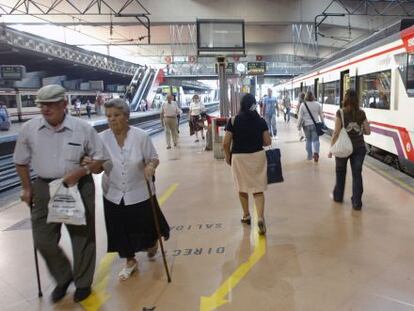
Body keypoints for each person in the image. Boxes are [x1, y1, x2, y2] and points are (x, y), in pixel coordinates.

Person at [13, 84, 108, 303]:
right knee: (42, 239)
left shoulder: (82, 128)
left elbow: (100, 159)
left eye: (51, 104)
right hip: (44, 187)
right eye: (42, 105)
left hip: (78, 186)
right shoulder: (29, 129)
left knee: (82, 237)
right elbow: (21, 161)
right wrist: (27, 188)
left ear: (64, 104)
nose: (45, 109)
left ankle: (83, 283)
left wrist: (82, 170)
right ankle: (64, 276)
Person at [87, 98, 170, 280]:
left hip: (140, 190)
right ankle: (130, 260)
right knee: (120, 228)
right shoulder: (101, 139)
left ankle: (151, 242)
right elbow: (98, 168)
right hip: (113, 192)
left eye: (116, 115)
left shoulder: (140, 136)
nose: (112, 119)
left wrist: (150, 166)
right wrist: (92, 165)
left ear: (126, 116)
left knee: (145, 226)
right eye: (108, 116)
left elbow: (154, 157)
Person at [222, 93, 272, 235]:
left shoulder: (233, 121)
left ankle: (246, 215)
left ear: (241, 105)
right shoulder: (261, 121)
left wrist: (227, 157)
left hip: (239, 158)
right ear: (254, 105)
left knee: (242, 188)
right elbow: (268, 142)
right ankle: (260, 218)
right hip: (257, 156)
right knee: (258, 189)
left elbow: (226, 143)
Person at [329, 89, 371, 210]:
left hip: (343, 147)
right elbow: (368, 132)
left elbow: (336, 132)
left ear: (345, 99)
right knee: (357, 175)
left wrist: (331, 148)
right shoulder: (361, 113)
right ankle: (357, 202)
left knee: (340, 172)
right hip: (359, 148)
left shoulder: (340, 112)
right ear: (357, 100)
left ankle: (338, 197)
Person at [297, 91, 324, 162]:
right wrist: (323, 123)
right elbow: (321, 115)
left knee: (308, 140)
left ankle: (309, 156)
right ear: (313, 96)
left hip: (306, 125)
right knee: (316, 140)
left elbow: (300, 117)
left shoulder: (303, 105)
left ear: (306, 97)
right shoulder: (318, 104)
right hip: (315, 125)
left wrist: (298, 126)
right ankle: (316, 153)